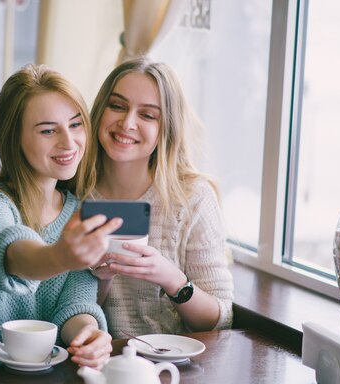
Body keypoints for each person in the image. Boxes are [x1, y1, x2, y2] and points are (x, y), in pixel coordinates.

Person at [0, 64, 120, 369]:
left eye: (75, 125)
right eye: (48, 130)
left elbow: (76, 304)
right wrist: (60, 255)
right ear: (13, 138)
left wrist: (88, 333)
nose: (69, 142)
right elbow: (10, 254)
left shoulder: (78, 212)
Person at [87, 57, 234, 337]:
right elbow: (60, 315)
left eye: (147, 115)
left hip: (170, 368)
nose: (127, 123)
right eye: (117, 106)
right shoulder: (73, 194)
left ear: (165, 128)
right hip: (97, 364)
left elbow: (221, 319)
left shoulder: (193, 198)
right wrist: (102, 280)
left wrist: (170, 278)